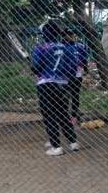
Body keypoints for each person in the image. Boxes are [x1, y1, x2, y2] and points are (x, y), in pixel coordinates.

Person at [31, 21, 79, 156]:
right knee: (63, 113)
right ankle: (73, 142)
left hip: (46, 85)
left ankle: (56, 146)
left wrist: (35, 69)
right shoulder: (66, 48)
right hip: (62, 84)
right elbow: (73, 68)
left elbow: (36, 68)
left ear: (44, 34)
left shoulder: (40, 48)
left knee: (49, 115)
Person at [63, 25, 89, 125]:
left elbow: (84, 59)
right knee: (64, 96)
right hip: (64, 75)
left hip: (77, 75)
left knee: (75, 95)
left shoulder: (80, 46)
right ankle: (65, 115)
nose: (69, 36)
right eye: (66, 35)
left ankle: (74, 116)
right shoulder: (61, 47)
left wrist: (86, 69)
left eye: (71, 34)